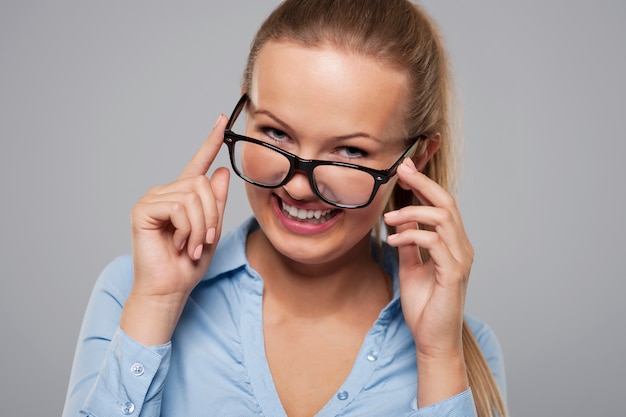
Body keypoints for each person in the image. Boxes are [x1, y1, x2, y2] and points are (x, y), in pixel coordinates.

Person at [63, 0, 508, 416]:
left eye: (349, 151)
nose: (298, 186)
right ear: (244, 112)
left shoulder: (457, 347)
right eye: (276, 133)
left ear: (417, 159)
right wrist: (157, 303)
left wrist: (436, 355)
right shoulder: (131, 290)